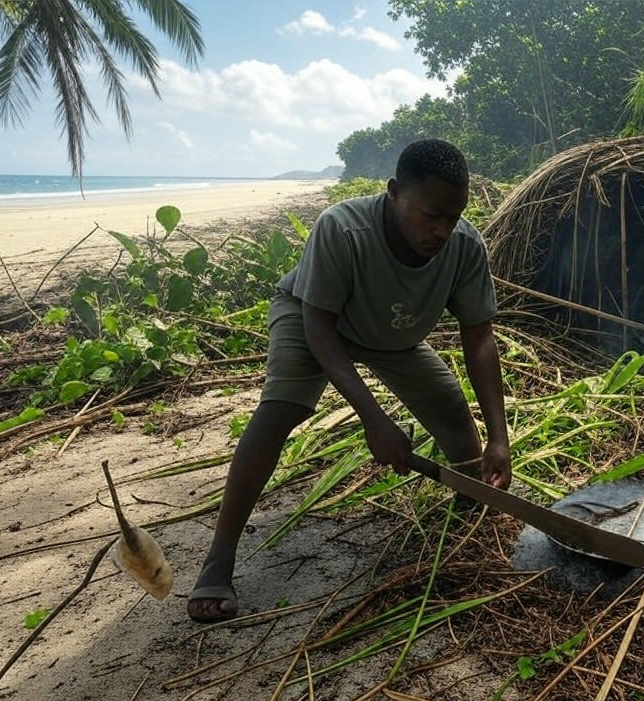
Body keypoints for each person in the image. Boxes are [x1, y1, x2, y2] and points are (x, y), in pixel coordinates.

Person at [186, 139, 512, 622]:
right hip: (313, 318)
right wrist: (374, 419)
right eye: (431, 215)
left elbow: (479, 338)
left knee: (451, 412)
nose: (443, 230)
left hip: (391, 333)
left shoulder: (463, 245)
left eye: (453, 217)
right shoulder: (343, 228)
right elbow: (318, 327)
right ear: (395, 192)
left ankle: (473, 518)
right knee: (282, 408)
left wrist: (499, 437)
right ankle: (218, 560)